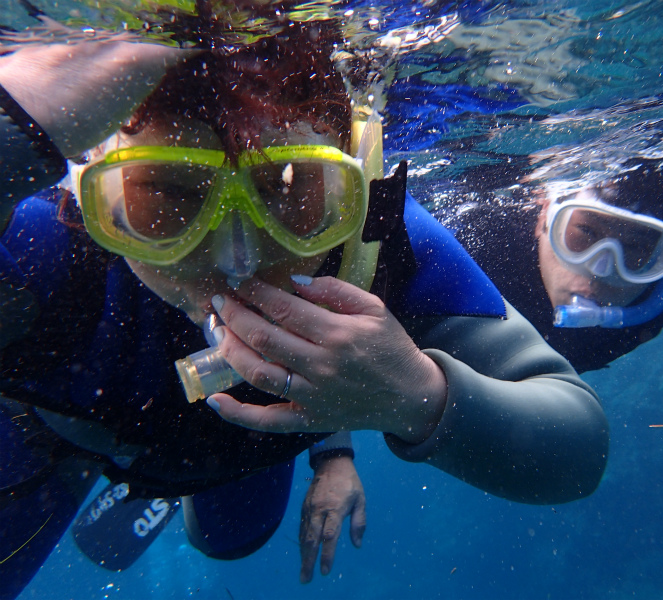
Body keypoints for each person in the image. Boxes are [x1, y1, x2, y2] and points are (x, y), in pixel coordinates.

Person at [0, 11, 609, 600]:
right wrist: (13, 127)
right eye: (167, 195)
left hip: (248, 444)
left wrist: (416, 397)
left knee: (230, 540)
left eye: (286, 188)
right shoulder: (47, 242)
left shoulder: (386, 244)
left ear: (353, 186)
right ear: (93, 191)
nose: (235, 259)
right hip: (52, 432)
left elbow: (578, 448)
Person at [434, 156, 663, 382]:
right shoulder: (472, 237)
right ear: (545, 214)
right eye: (585, 233)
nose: (600, 268)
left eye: (636, 249)